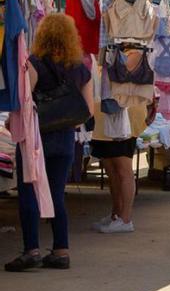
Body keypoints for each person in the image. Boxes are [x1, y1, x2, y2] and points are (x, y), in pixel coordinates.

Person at [5, 14, 95, 272]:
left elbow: (24, 104)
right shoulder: (81, 69)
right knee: (56, 194)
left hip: (36, 138)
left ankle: (31, 249)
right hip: (65, 137)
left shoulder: (33, 64)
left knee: (29, 192)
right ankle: (60, 250)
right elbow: (87, 110)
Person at [90, 98, 150, 235]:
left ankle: (125, 219)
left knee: (123, 169)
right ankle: (116, 214)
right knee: (111, 170)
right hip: (102, 115)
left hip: (124, 115)